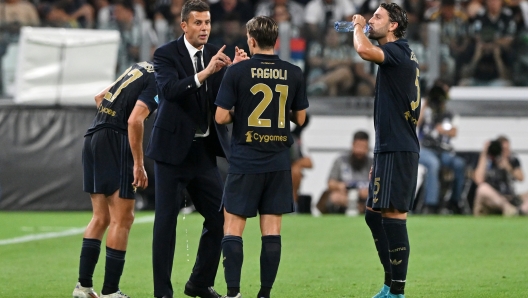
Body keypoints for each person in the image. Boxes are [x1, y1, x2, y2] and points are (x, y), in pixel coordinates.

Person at [144, 0, 248, 297]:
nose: (205, 28)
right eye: (198, 23)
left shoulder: (217, 53)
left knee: (220, 218)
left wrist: (235, 73)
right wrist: (206, 73)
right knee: (165, 223)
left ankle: (199, 283)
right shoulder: (165, 54)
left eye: (207, 22)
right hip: (171, 152)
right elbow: (169, 91)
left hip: (203, 152)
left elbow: (222, 99)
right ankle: (162, 292)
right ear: (184, 25)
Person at [214, 16, 309, 298]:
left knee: (233, 227)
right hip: (279, 161)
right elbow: (300, 118)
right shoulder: (294, 72)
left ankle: (233, 293)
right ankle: (265, 294)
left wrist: (241, 112)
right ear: (276, 41)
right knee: (272, 231)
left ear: (251, 40)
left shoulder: (238, 71)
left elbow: (220, 116)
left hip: (245, 160)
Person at [72, 61, 158, 298]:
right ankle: (110, 291)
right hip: (115, 139)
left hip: (93, 135)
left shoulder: (139, 67)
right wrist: (139, 164)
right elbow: (134, 121)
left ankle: (83, 286)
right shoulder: (159, 78)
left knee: (101, 217)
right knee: (123, 218)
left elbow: (100, 97)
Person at [352, 3, 420, 298]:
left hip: (398, 148)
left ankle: (397, 291)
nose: (370, 20)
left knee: (393, 216)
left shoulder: (396, 51)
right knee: (372, 215)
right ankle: (389, 283)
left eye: (377, 17)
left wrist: (357, 26)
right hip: (389, 148)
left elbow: (364, 51)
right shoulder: (400, 55)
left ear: (393, 26)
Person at [417, 81, 466, 214]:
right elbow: (415, 123)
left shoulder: (450, 114)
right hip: (424, 150)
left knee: (459, 164)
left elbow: (454, 132)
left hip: (444, 151)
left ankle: (455, 201)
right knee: (433, 164)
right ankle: (430, 204)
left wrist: (442, 130)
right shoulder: (426, 111)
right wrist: (426, 102)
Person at [317, 130, 372, 215]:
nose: (359, 151)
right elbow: (330, 183)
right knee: (334, 197)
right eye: (357, 146)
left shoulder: (374, 163)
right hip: (345, 196)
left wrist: (369, 191)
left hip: (365, 198)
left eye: (363, 147)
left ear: (367, 148)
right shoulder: (341, 161)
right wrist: (340, 186)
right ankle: (357, 207)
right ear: (352, 145)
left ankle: (362, 208)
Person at [473, 136, 528, 216]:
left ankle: (521, 211)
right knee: (482, 189)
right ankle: (509, 209)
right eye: (504, 149)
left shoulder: (512, 161)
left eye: (508, 149)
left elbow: (521, 178)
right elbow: (479, 180)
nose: (506, 152)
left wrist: (508, 167)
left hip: (510, 197)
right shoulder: (487, 161)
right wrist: (484, 153)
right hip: (492, 200)